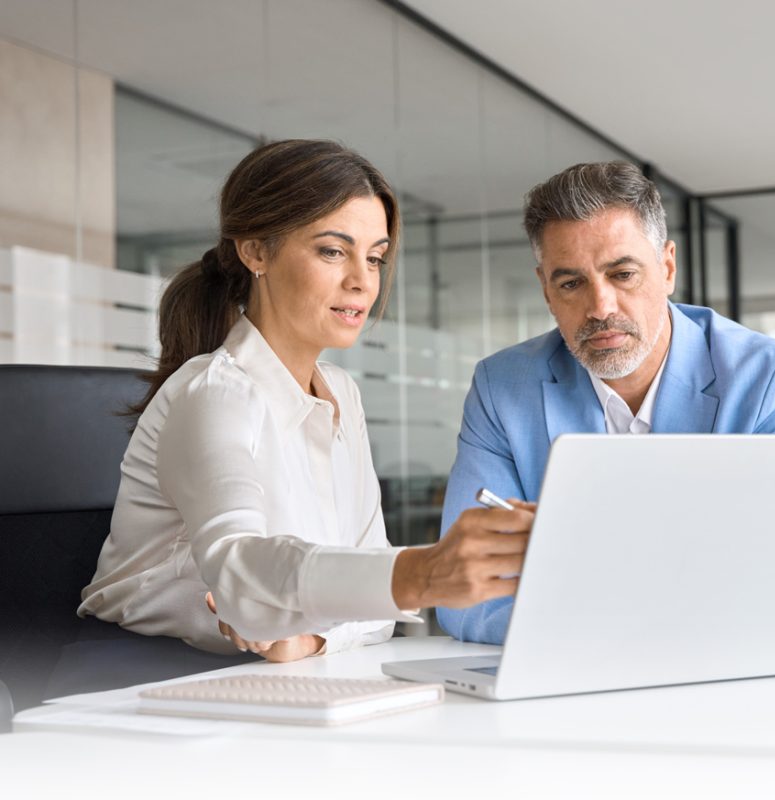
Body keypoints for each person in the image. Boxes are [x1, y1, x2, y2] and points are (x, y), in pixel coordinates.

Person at [79, 140, 532, 663]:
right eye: (333, 251)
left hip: (277, 674)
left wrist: (313, 638)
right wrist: (419, 573)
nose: (362, 281)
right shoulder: (213, 392)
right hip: (137, 675)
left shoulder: (342, 393)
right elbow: (238, 569)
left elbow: (377, 610)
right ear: (255, 252)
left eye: (376, 257)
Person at [435, 161, 775, 645]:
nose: (600, 308)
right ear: (545, 290)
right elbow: (464, 591)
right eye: (571, 283)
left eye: (622, 274)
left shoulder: (771, 378)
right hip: (564, 677)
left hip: (725, 673)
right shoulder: (502, 388)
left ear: (666, 268)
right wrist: (617, 639)